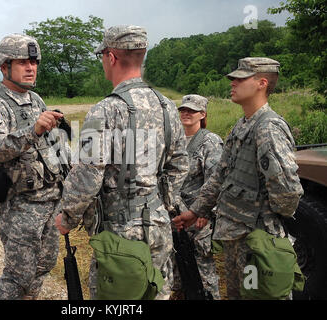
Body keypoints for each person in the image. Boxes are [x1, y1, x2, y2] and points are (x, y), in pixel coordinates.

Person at [55, 25, 189, 300]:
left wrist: (67, 217)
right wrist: (164, 204)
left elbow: (88, 175)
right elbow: (179, 164)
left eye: (102, 56)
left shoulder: (104, 110)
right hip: (158, 226)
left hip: (119, 234)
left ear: (111, 57)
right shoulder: (167, 107)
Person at [173, 57, 304, 300]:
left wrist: (265, 222)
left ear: (261, 83)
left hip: (257, 241)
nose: (232, 82)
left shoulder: (268, 127)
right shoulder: (241, 126)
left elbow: (288, 192)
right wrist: (195, 212)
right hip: (237, 238)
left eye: (240, 78)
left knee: (258, 296)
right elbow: (220, 176)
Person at [0, 34, 69, 300]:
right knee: (18, 274)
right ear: (5, 67)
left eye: (34, 62)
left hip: (50, 199)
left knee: (44, 264)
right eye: (23, 62)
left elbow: (52, 146)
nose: (31, 68)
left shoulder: (36, 100)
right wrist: (34, 130)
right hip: (20, 203)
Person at [172, 94, 223, 300]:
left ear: (202, 114)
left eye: (192, 110)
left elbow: (216, 181)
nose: (186, 113)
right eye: (183, 109)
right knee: (176, 270)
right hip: (174, 215)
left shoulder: (209, 142)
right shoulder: (173, 140)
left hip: (198, 216)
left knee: (203, 271)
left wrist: (206, 212)